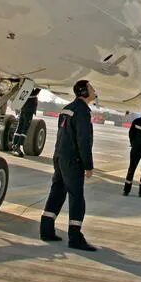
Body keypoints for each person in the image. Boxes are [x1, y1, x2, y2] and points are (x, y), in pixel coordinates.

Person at [40, 79, 97, 251]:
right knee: (76, 197)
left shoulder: (67, 109)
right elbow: (83, 140)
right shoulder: (82, 112)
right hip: (73, 160)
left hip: (59, 156)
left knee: (57, 191)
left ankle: (46, 229)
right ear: (84, 92)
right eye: (91, 88)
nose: (94, 91)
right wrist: (88, 165)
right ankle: (75, 237)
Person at [11, 87, 41, 157]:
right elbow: (37, 90)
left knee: (19, 128)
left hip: (23, 110)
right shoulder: (32, 93)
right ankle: (18, 146)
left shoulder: (24, 93)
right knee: (24, 130)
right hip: (28, 112)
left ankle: (14, 144)